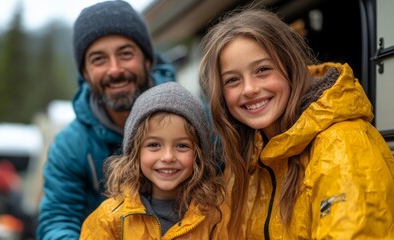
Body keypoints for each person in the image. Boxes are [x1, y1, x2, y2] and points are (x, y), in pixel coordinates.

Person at [198, 6, 394, 239]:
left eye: (262, 70)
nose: (249, 89)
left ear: (291, 67)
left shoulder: (343, 144)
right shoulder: (248, 156)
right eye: (232, 80)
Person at [37, 1, 176, 239]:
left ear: (148, 60)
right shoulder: (71, 146)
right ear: (85, 73)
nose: (114, 69)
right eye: (99, 59)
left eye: (125, 54)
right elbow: (58, 220)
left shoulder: (195, 120)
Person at [79, 82, 224, 239]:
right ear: (136, 152)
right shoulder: (110, 219)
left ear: (199, 154)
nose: (168, 157)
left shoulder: (216, 216)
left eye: (182, 146)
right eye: (154, 145)